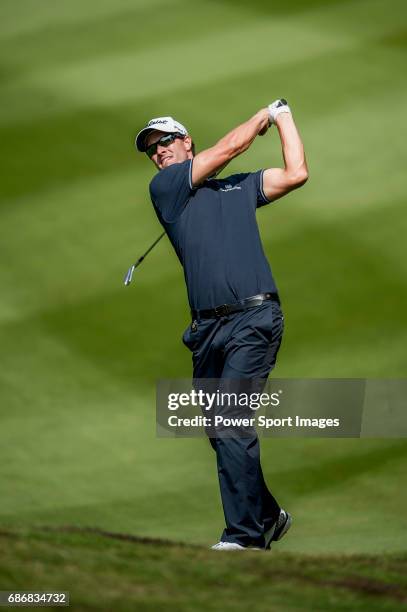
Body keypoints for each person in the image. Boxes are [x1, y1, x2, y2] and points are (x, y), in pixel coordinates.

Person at [135, 101, 308, 550]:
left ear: (186, 141)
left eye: (166, 142)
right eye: (152, 149)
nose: (159, 152)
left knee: (230, 421)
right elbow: (232, 145)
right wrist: (263, 115)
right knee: (220, 430)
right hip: (206, 332)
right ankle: (267, 515)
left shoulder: (238, 188)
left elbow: (296, 173)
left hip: (254, 318)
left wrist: (284, 117)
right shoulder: (166, 189)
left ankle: (244, 536)